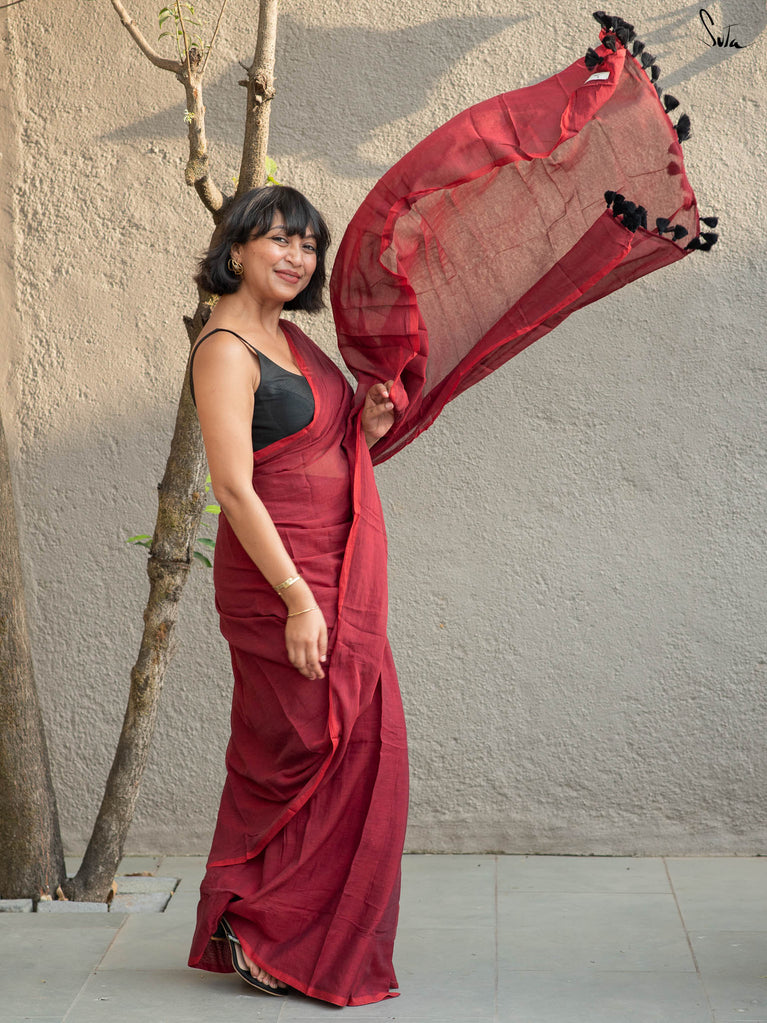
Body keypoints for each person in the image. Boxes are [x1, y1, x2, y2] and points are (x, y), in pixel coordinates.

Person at [187, 185, 409, 1007]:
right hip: (279, 583)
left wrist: (368, 428)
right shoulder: (224, 348)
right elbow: (234, 488)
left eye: (308, 245)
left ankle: (306, 939)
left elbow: (325, 452)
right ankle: (258, 928)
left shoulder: (291, 337)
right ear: (236, 248)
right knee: (298, 751)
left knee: (359, 750)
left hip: (335, 572)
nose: (296, 256)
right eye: (278, 239)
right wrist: (296, 600)